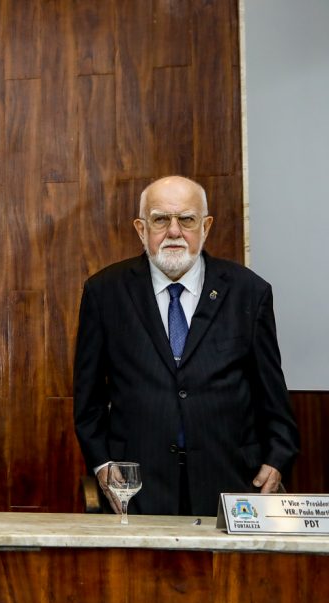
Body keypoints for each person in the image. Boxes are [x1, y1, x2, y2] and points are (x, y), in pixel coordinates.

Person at [73, 175, 300, 517]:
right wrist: (101, 463)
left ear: (205, 226)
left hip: (232, 483)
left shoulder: (248, 292)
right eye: (161, 219)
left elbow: (272, 393)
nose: (174, 231)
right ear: (141, 228)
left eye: (187, 219)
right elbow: (88, 398)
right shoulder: (105, 293)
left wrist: (278, 458)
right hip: (136, 489)